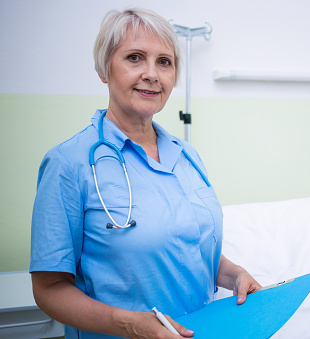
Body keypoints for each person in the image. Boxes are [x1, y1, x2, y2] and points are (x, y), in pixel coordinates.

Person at [30, 8, 261, 339]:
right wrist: (129, 325)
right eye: (135, 58)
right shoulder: (69, 164)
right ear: (103, 69)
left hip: (203, 330)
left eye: (164, 62)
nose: (152, 74)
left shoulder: (187, 155)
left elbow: (187, 243)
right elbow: (49, 289)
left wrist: (233, 274)